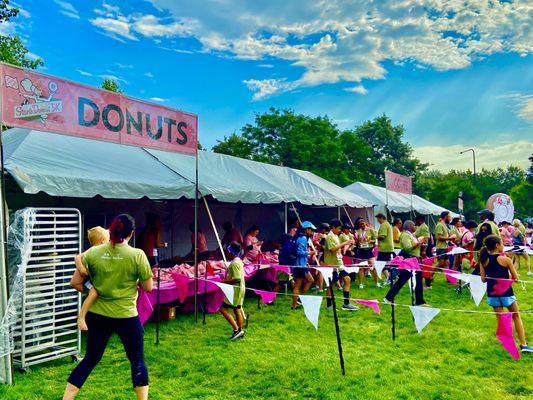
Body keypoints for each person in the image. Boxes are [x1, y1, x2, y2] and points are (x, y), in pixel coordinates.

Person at [63, 214, 153, 400]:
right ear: (132, 233)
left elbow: (75, 282)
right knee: (137, 359)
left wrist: (93, 289)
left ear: (110, 231)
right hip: (126, 315)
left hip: (97, 315)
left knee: (91, 359)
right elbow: (148, 287)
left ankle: (67, 398)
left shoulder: (93, 253)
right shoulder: (137, 255)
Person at [479, 235, 532, 353]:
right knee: (516, 316)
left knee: (501, 317)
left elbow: (483, 279)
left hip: (492, 294)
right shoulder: (506, 260)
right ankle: (523, 345)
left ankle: (506, 342)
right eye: (502, 243)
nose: (504, 245)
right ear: (497, 245)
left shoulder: (483, 260)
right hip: (507, 293)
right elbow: (516, 278)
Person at [72, 226, 110, 332]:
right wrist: (82, 269)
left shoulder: (100, 251)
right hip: (88, 280)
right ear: (102, 241)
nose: (109, 241)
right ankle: (81, 318)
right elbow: (77, 257)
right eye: (108, 238)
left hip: (90, 280)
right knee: (94, 293)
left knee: (94, 293)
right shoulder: (93, 250)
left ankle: (91, 299)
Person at [384, 220, 428, 306]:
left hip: (414, 260)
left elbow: (414, 247)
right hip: (409, 260)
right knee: (403, 280)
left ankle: (419, 301)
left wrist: (421, 245)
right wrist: (419, 242)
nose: (415, 227)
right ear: (409, 226)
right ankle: (389, 298)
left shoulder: (411, 235)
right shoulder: (405, 235)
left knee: (416, 279)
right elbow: (408, 248)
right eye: (414, 225)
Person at [324, 219, 358, 311]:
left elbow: (338, 249)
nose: (340, 230)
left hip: (339, 263)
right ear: (333, 227)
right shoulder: (329, 237)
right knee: (330, 285)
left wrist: (349, 245)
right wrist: (344, 243)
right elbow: (332, 249)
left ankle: (346, 304)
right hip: (332, 264)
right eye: (338, 228)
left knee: (347, 279)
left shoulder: (335, 236)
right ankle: (329, 305)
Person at [219, 242, 246, 340]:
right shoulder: (238, 261)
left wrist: (223, 282)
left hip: (235, 290)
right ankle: (240, 331)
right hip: (240, 289)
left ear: (232, 252)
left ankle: (236, 330)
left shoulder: (234, 264)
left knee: (221, 308)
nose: (227, 253)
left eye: (228, 251)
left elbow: (237, 279)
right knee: (237, 309)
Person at [291, 221, 316, 309]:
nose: (312, 232)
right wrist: (310, 252)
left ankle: (299, 299)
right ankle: (294, 305)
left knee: (310, 280)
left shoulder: (298, 237)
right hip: (299, 265)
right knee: (297, 285)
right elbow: (299, 252)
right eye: (311, 230)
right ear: (306, 229)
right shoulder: (302, 238)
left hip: (302, 264)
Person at [429, 211, 453, 288]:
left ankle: (448, 278)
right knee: (441, 263)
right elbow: (438, 237)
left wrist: (450, 239)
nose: (450, 218)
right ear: (445, 217)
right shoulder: (439, 225)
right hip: (440, 247)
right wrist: (450, 238)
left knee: (447, 263)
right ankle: (430, 275)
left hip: (445, 247)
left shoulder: (444, 225)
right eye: (449, 216)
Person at [355, 219, 381, 289]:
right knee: (361, 268)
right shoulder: (358, 231)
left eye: (363, 223)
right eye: (360, 224)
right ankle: (361, 284)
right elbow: (356, 242)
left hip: (369, 250)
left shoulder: (370, 230)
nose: (362, 225)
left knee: (373, 267)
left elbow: (374, 240)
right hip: (361, 250)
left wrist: (370, 240)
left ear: (365, 223)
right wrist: (357, 240)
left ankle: (377, 283)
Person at [376, 213, 394, 281]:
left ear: (381, 218)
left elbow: (383, 236)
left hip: (384, 248)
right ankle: (389, 278)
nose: (378, 221)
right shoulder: (388, 224)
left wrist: (375, 236)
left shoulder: (383, 225)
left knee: (379, 264)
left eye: (378, 219)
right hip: (388, 248)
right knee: (386, 264)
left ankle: (389, 278)